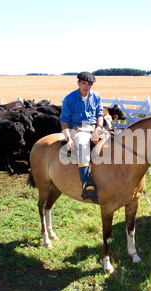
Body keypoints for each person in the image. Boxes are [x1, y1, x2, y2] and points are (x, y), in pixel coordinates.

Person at [60, 72, 104, 200]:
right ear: (78, 82)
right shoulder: (70, 98)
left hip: (94, 127)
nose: (86, 86)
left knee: (113, 142)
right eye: (83, 83)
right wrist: (68, 138)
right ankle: (86, 185)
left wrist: (99, 128)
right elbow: (64, 120)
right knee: (83, 145)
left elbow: (99, 115)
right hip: (77, 128)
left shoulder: (95, 96)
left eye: (89, 84)